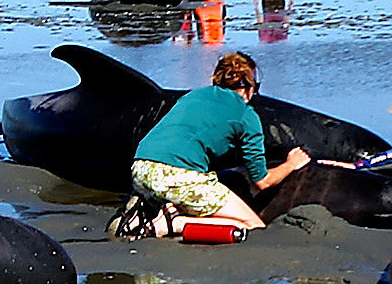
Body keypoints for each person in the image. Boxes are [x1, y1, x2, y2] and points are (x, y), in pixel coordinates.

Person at [125, 51, 307, 232]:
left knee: (191, 187)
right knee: (254, 225)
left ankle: (154, 209)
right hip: (176, 177)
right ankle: (174, 223)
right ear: (249, 86)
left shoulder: (193, 96)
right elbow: (262, 181)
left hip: (140, 168)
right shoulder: (246, 114)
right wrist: (291, 164)